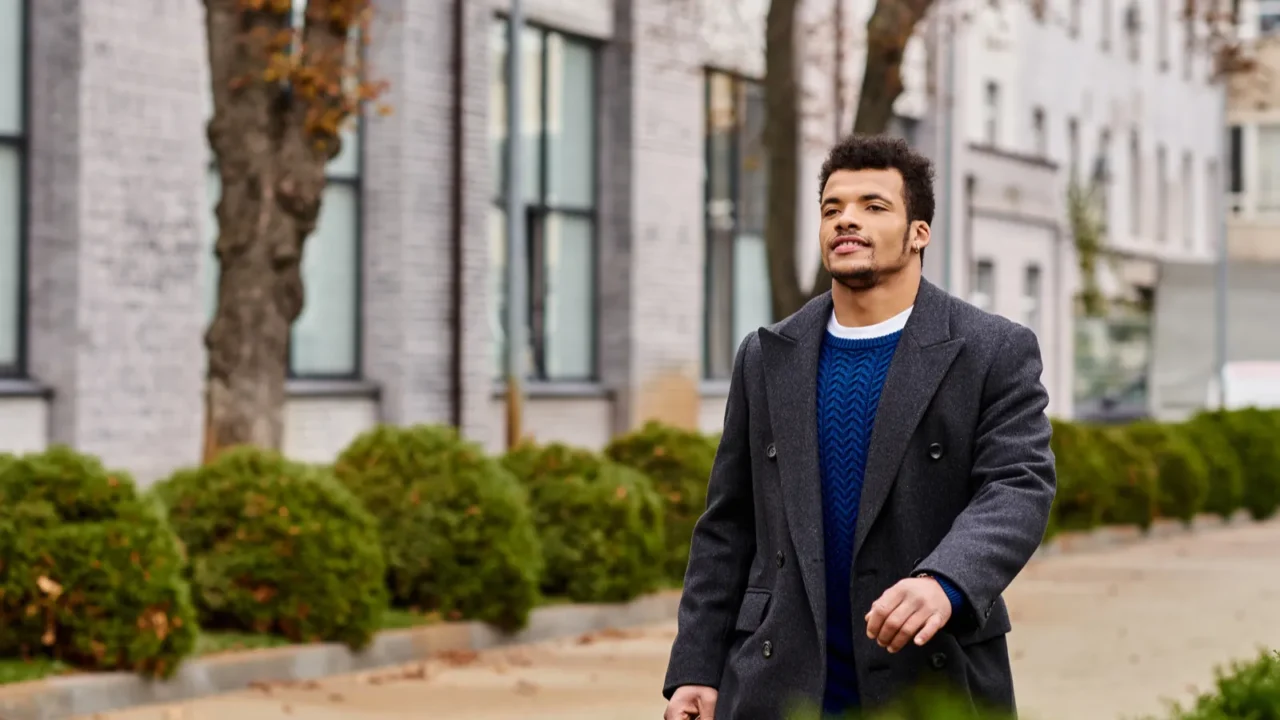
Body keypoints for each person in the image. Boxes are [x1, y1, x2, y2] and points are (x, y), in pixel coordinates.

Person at [661, 134, 1056, 719]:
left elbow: (1018, 486)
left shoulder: (991, 349)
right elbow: (729, 524)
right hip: (780, 680)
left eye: (874, 207)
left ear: (918, 232)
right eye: (832, 208)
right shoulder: (767, 356)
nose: (847, 220)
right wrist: (695, 667)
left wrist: (944, 581)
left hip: (928, 671)